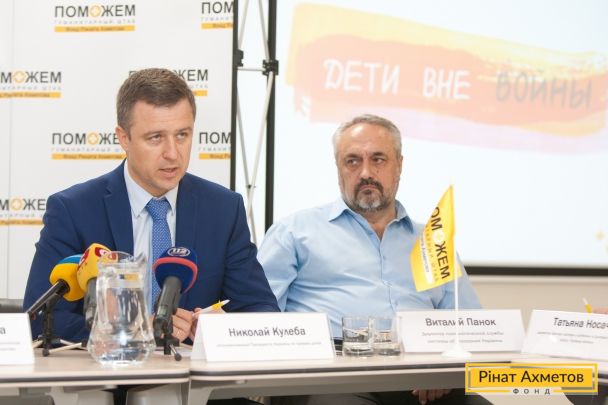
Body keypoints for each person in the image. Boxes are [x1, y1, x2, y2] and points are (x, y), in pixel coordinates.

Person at [24, 68, 279, 344]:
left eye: (182, 135)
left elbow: (263, 312)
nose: (172, 153)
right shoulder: (74, 210)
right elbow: (41, 319)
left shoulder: (223, 210)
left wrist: (223, 328)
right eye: (156, 137)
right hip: (110, 370)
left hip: (193, 371)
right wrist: (135, 330)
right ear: (124, 138)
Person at [258, 114, 483, 405]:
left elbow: (469, 325)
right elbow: (257, 318)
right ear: (338, 168)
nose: (365, 172)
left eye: (378, 159)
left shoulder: (433, 241)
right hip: (329, 377)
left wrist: (445, 370)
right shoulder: (294, 232)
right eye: (352, 161)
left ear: (399, 165)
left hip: (422, 381)